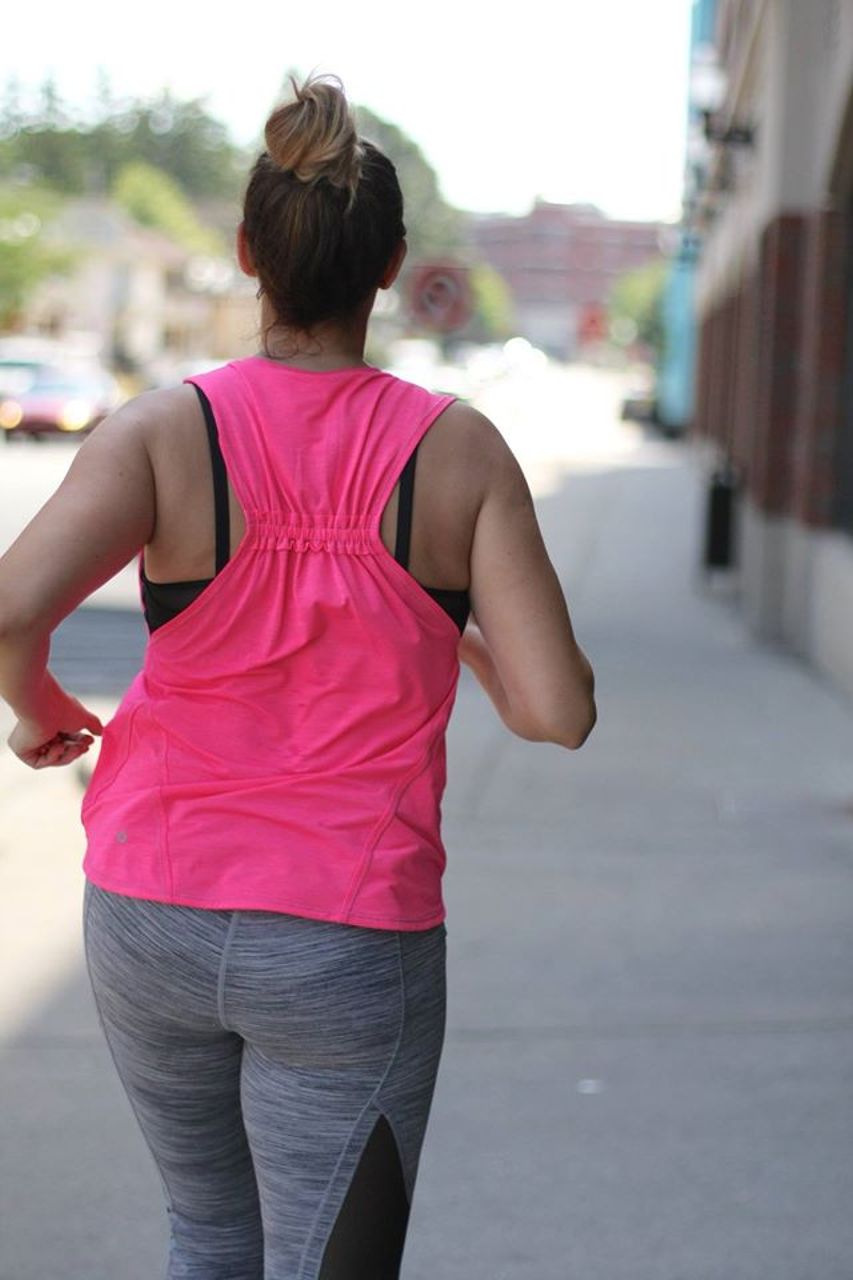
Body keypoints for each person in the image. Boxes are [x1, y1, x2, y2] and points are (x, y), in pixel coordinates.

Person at [0, 74, 596, 1280]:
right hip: (344, 942)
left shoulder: (163, 430)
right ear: (388, 266)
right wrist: (448, 626)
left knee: (208, 1234)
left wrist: (48, 716)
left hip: (147, 909)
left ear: (245, 253)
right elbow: (556, 712)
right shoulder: (456, 448)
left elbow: (10, 609)